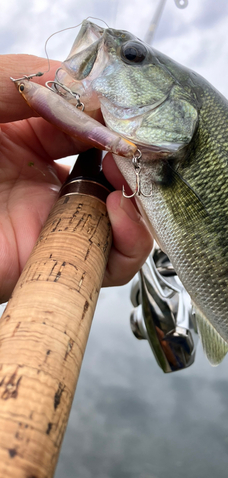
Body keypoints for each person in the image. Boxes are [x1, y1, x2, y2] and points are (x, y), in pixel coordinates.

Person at [0, 54, 153, 303]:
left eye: (22, 85)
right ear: (26, 91)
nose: (22, 85)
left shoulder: (37, 90)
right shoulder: (35, 90)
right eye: (21, 87)